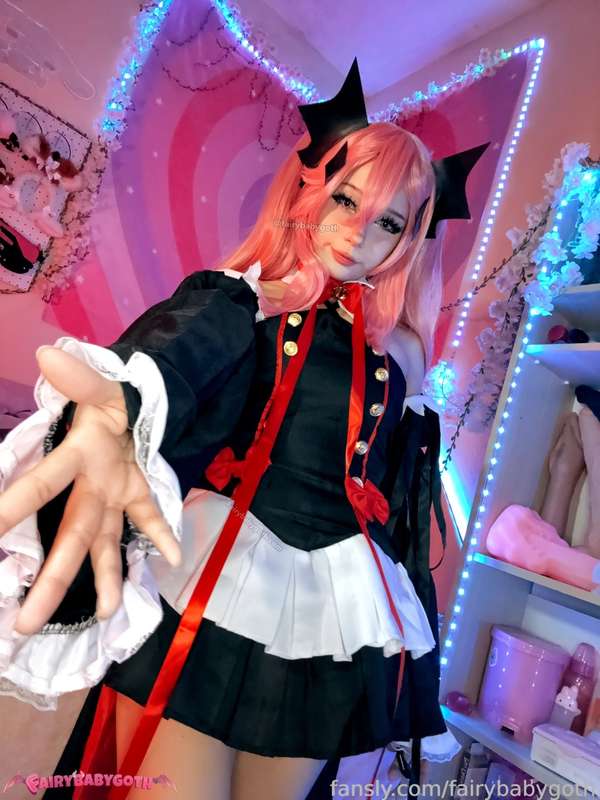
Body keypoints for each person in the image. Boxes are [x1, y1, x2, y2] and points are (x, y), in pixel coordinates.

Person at [0, 60, 485, 799]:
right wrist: (115, 412)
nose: (359, 232)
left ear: (409, 241)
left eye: (389, 221)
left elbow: (399, 506)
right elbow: (177, 356)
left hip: (333, 607)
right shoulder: (247, 302)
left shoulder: (406, 356)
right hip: (220, 569)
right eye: (345, 199)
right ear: (309, 193)